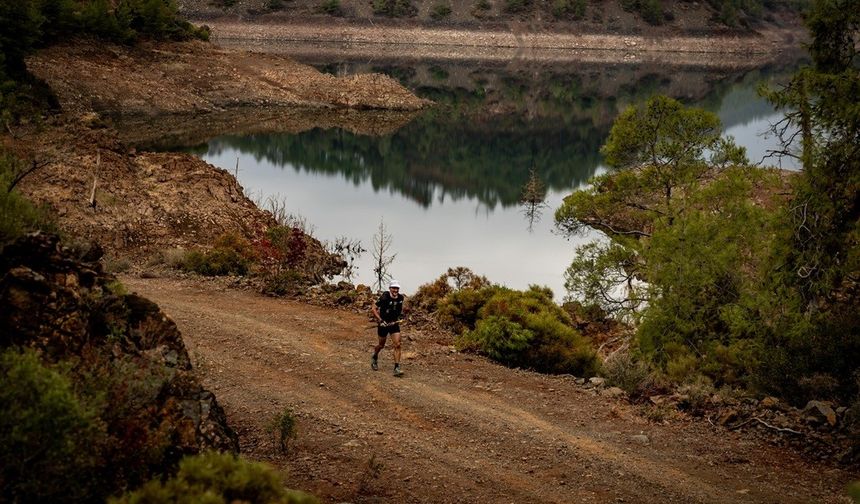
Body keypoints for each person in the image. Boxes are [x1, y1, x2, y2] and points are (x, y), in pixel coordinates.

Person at [371, 280, 406, 376]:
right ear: (390, 288)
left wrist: (400, 317)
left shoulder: (400, 298)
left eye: (397, 288)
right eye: (394, 288)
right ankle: (375, 356)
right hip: (383, 324)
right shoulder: (384, 297)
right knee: (381, 345)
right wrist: (380, 320)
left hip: (394, 324)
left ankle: (397, 367)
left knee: (398, 344)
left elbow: (399, 310)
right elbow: (374, 308)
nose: (396, 290)